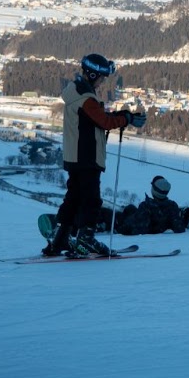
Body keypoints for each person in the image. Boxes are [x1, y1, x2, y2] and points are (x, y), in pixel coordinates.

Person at [44, 53, 145, 256]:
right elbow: (104, 122)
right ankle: (85, 240)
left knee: (73, 198)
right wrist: (126, 119)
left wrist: (121, 116)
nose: (102, 82)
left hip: (75, 156)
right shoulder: (86, 98)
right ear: (92, 74)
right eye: (101, 77)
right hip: (87, 156)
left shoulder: (75, 92)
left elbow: (97, 119)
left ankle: (59, 239)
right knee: (91, 200)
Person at [117, 175, 186, 235]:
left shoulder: (146, 206)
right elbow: (179, 228)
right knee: (131, 209)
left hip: (128, 225)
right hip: (156, 228)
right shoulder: (172, 206)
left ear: (154, 190)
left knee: (128, 209)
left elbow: (139, 230)